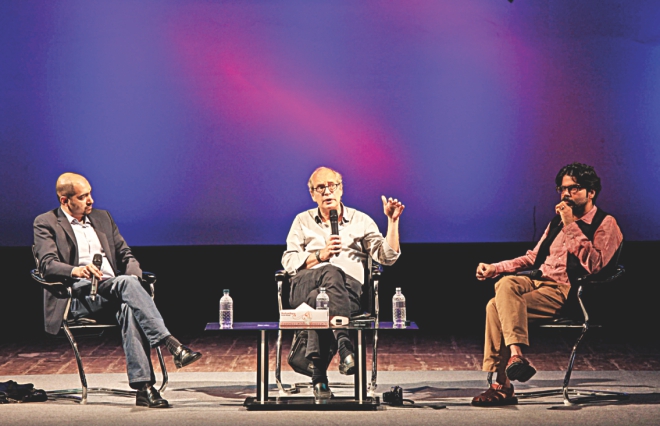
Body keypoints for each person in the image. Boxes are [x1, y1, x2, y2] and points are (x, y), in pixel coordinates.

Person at [33, 173, 203, 408]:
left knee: (129, 305)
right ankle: (173, 344)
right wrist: (77, 270)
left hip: (115, 291)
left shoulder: (103, 218)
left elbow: (126, 255)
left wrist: (133, 278)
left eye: (90, 193)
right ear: (65, 201)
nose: (90, 200)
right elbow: (47, 265)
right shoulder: (46, 222)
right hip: (78, 294)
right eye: (83, 197)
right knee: (126, 286)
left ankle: (144, 388)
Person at [471, 162, 623, 406]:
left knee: (493, 307)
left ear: (591, 192)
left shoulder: (606, 223)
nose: (565, 194)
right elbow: (533, 257)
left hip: (568, 292)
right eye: (562, 189)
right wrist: (495, 268)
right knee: (505, 282)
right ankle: (516, 357)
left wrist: (571, 224)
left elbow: (595, 265)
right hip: (538, 281)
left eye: (573, 188)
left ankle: (500, 385)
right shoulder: (556, 223)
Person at [282, 166, 404, 400]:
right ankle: (345, 345)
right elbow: (288, 260)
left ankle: (319, 379)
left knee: (322, 298)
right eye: (321, 188)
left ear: (340, 190)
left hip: (347, 294)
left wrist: (392, 222)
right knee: (330, 270)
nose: (327, 192)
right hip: (304, 284)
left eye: (332, 186)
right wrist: (319, 256)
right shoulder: (302, 221)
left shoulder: (361, 221)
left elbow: (387, 257)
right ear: (312, 194)